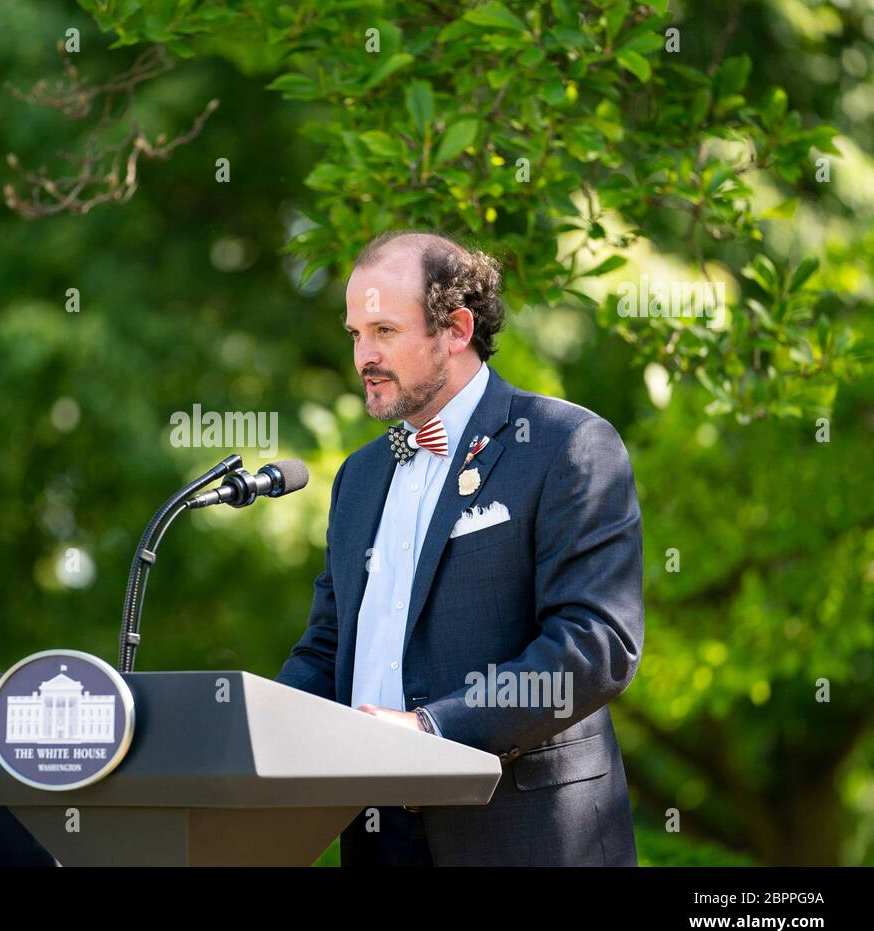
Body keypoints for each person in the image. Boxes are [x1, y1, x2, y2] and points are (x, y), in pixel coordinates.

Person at [275, 230, 644, 866]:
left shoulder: (566, 444)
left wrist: (431, 730)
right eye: (354, 334)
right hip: (374, 836)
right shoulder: (359, 478)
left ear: (456, 329)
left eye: (384, 331)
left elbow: (596, 645)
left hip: (525, 834)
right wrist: (257, 727)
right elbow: (328, 648)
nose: (364, 355)